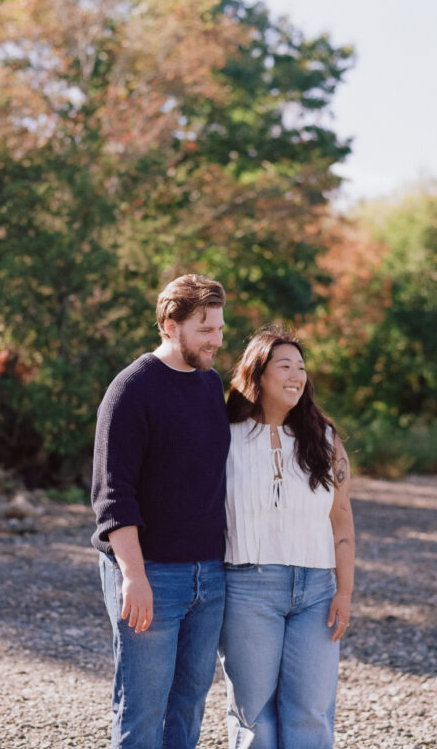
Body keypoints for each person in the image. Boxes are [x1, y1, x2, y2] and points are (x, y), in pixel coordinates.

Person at [90, 274, 230, 749]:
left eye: (220, 329)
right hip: (149, 574)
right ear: (171, 325)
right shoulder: (131, 389)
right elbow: (113, 496)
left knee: (189, 706)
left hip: (208, 575)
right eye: (206, 329)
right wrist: (134, 575)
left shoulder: (211, 386)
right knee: (143, 709)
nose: (217, 341)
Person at [218, 325, 356, 749]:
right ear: (257, 374)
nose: (297, 374)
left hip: (317, 591)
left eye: (301, 367)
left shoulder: (325, 441)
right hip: (246, 588)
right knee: (254, 715)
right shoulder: (222, 435)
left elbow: (342, 520)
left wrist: (345, 592)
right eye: (285, 366)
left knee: (311, 712)